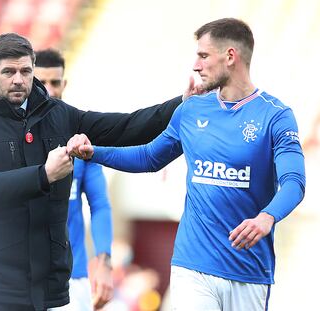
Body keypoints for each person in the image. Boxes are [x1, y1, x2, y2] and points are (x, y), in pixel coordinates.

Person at [68, 18, 306, 311]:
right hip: (192, 265)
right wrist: (95, 153)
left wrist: (267, 217)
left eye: (203, 56)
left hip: (248, 269)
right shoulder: (192, 109)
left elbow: (294, 182)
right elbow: (149, 157)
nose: (196, 65)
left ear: (230, 56)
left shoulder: (276, 116)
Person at [0, 32, 187, 311]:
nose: (18, 80)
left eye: (25, 71)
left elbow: (124, 127)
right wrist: (43, 175)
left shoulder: (58, 114)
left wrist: (181, 103)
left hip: (51, 282)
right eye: (8, 72)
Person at [35, 49, 114, 310]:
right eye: (41, 83)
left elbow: (100, 204)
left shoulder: (80, 140)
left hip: (71, 280)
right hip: (22, 281)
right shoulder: (12, 140)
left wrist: (103, 261)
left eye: (55, 82)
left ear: (64, 84)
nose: (49, 90)